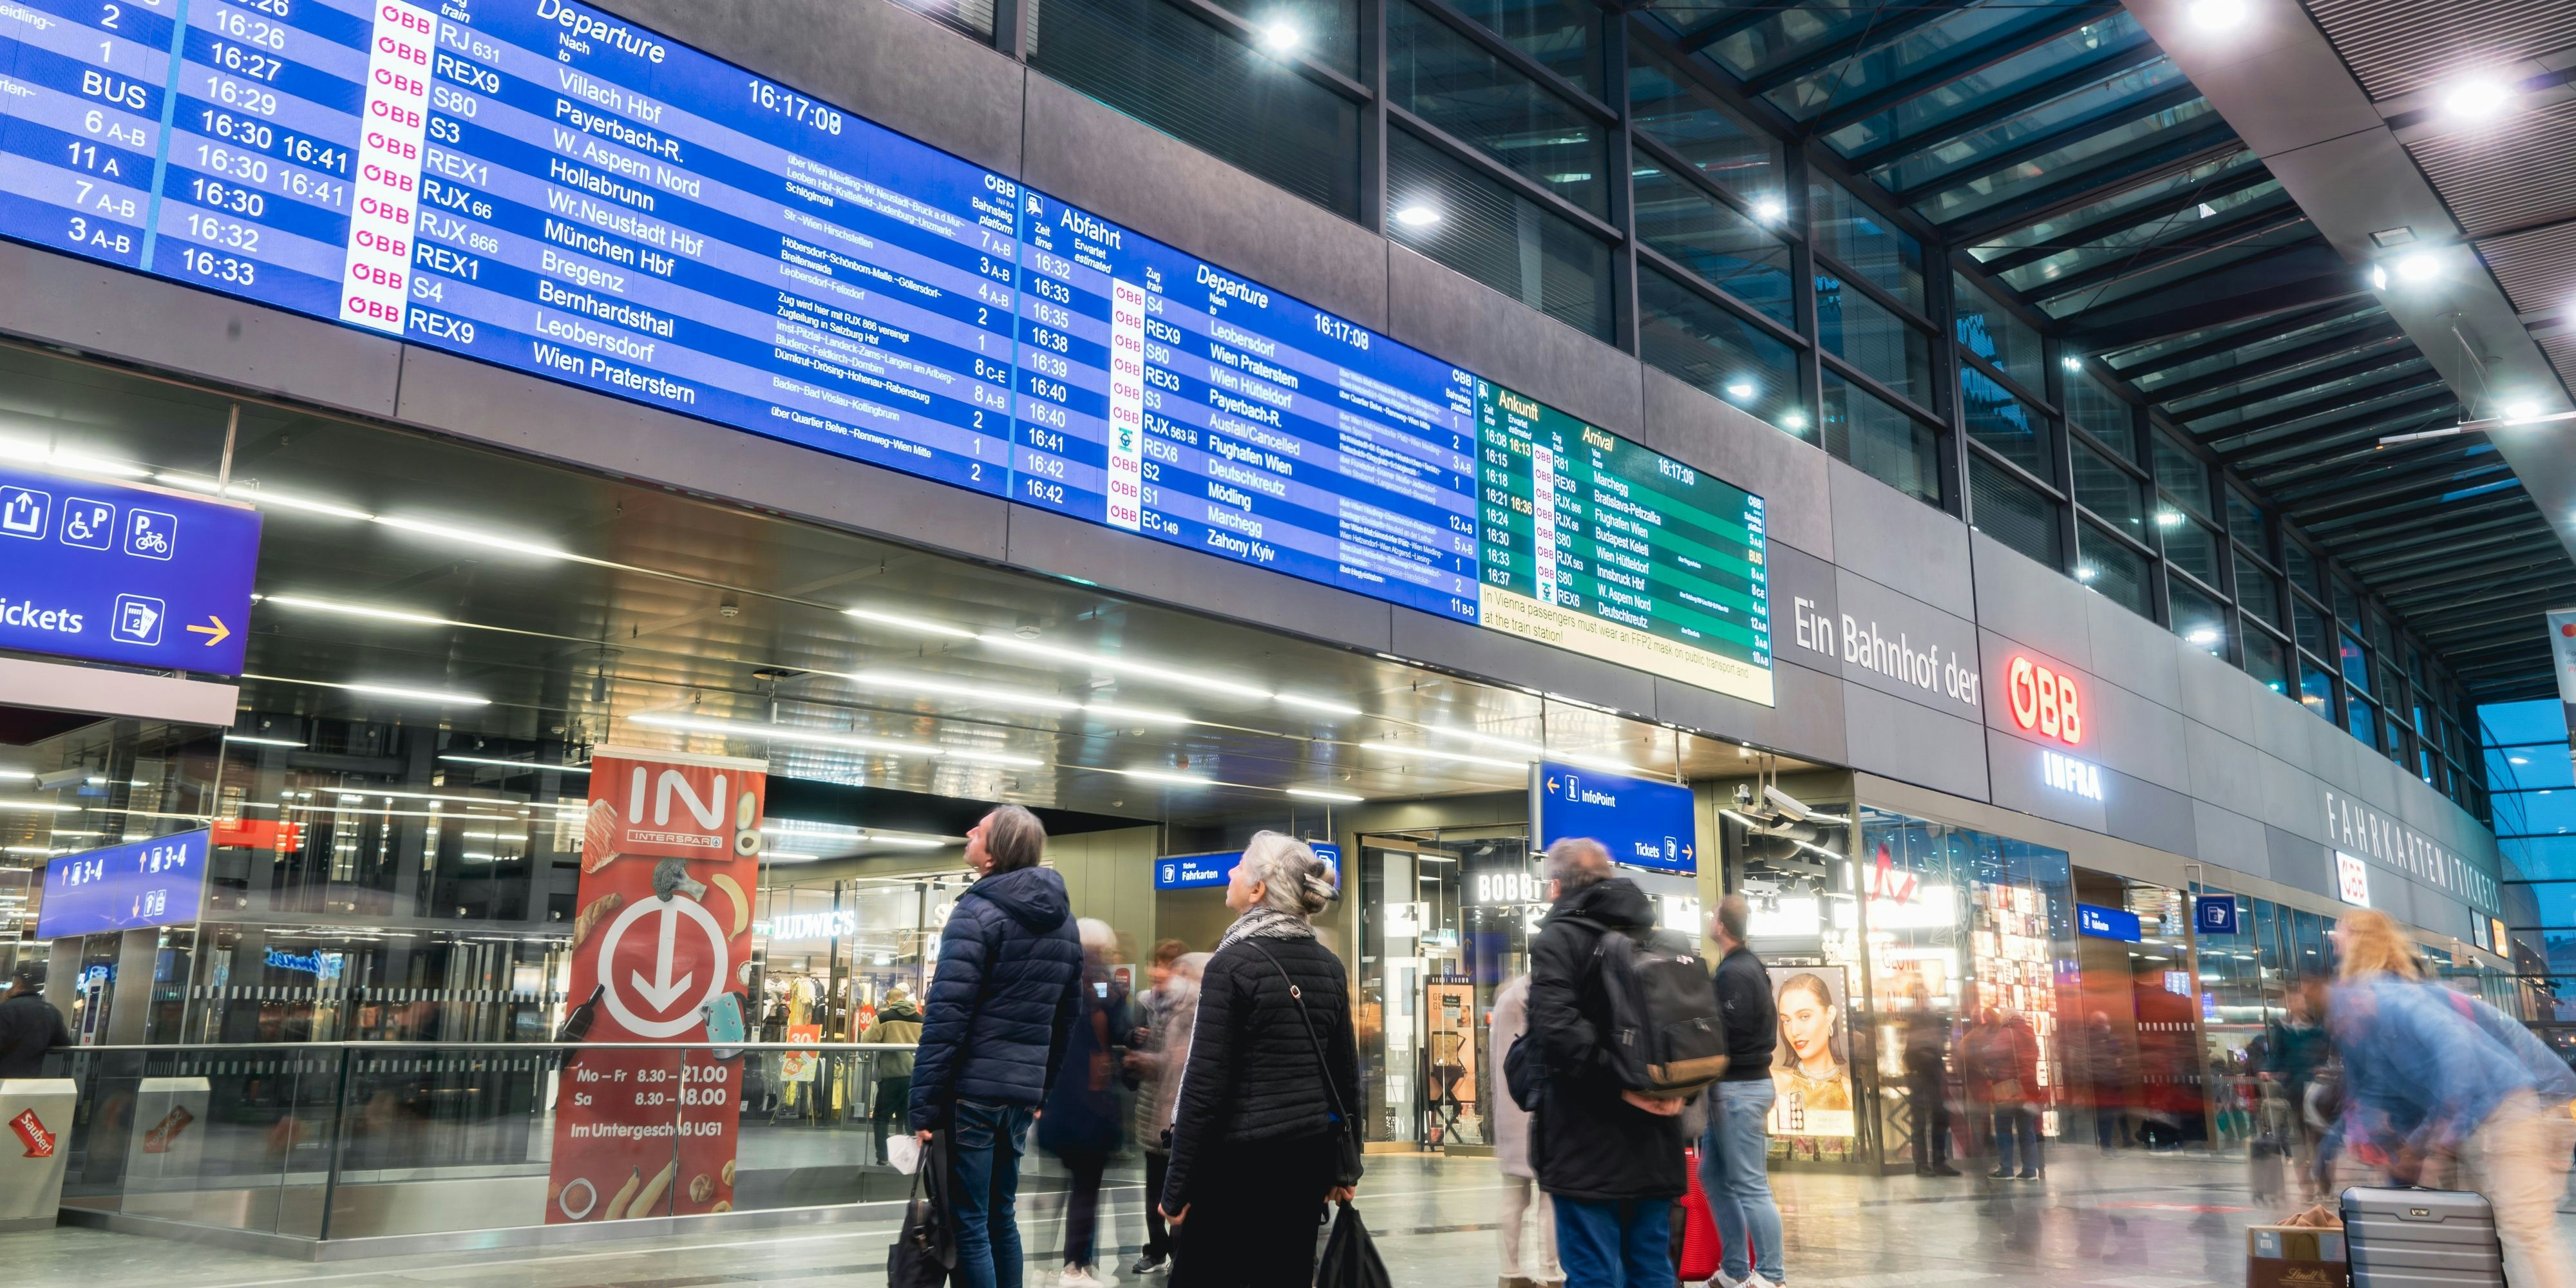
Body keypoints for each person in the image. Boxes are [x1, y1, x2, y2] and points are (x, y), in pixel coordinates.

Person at [2324, 909, 2573, 1288]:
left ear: (2360, 937)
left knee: (2524, 1229)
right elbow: (2374, 1088)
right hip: (2515, 1106)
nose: (2331, 937)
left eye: (2339, 929)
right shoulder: (2385, 997)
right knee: (2486, 1232)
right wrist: (2335, 1145)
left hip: (2520, 1105)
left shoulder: (2389, 996)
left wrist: (2441, 1131)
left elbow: (2454, 1048)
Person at [1159, 833, 1360, 1288]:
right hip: (1304, 1163)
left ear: (1258, 890)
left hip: (1238, 1169)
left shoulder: (1231, 965)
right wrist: (1346, 1165)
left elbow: (1205, 1085)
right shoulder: (1329, 966)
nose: (1230, 873)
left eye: (1240, 867)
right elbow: (1345, 1073)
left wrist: (1178, 1186)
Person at [909, 806, 1084, 1288]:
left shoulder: (976, 913)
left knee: (967, 1219)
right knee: (1000, 1216)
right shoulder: (1065, 924)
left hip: (972, 1096)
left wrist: (923, 1108)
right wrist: (1040, 1090)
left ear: (995, 852)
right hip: (1018, 1097)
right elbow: (1065, 1019)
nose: (969, 832)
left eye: (980, 831)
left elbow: (947, 1017)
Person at [1528, 837, 1686, 1288]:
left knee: (1595, 1272)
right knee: (1652, 1268)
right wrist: (1672, 1090)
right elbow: (1691, 1027)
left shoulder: (1559, 939)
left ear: (1556, 887)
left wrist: (1622, 1084)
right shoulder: (1655, 936)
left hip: (1585, 1142)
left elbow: (1556, 1027)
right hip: (1656, 1140)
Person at [1041, 918, 1128, 1287]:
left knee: (1066, 1188)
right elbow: (1120, 1031)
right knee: (1086, 1189)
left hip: (1060, 1102)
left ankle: (1063, 1263)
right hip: (1091, 1105)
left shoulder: (1056, 980)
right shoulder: (1101, 984)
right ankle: (1076, 1266)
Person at [1702, 893, 1784, 1288]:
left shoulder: (1735, 972)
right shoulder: (1745, 966)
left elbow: (1730, 1032)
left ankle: (1771, 1275)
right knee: (1713, 1176)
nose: (1709, 919)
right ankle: (1734, 1269)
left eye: (1712, 916)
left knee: (1750, 1184)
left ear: (1721, 926)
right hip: (1735, 1088)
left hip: (1740, 1089)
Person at [1489, 972, 1562, 1288]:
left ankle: (1510, 1271)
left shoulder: (1508, 996)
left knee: (1513, 1196)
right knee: (1550, 1197)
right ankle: (1551, 1272)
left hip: (1509, 1109)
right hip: (1537, 1109)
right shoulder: (1537, 994)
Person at [1125, 938, 1193, 1278]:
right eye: (1157, 963)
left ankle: (1180, 1252)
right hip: (1152, 1107)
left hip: (1180, 1109)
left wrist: (1147, 1059)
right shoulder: (1146, 1002)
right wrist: (1134, 1042)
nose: (1159, 971)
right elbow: (1134, 1045)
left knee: (1180, 1186)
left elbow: (1181, 1057)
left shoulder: (1193, 1005)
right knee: (1153, 1185)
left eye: (1167, 965)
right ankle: (1156, 1248)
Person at [1770, 972, 1851, 1133]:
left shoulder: (1849, 1090)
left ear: (1830, 1015)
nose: (1794, 1031)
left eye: (1804, 1016)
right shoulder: (1776, 1083)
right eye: (1786, 1020)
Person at [1968, 1005, 2041, 1180]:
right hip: (2028, 1088)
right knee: (2027, 1130)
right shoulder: (2030, 1034)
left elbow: (1992, 1054)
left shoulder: (2007, 1033)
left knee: (2003, 1128)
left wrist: (1983, 1052)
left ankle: (2007, 1169)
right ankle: (2030, 1170)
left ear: (2006, 1019)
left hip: (2009, 1088)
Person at [860, 985, 922, 1166]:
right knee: (910, 1120)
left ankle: (883, 1157)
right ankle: (912, 1160)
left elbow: (866, 1040)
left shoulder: (884, 1017)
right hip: (913, 1076)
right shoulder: (921, 1019)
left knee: (881, 1118)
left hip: (891, 1076)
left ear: (889, 1001)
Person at [1901, 983, 1958, 1177]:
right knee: (1922, 1120)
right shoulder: (1918, 1019)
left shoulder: (1932, 1018)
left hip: (1932, 1074)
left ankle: (1936, 1162)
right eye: (1919, 997)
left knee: (1938, 1118)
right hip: (1923, 1075)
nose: (1923, 1000)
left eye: (1924, 996)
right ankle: (1926, 1163)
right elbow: (1913, 1050)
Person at [0, 970, 68, 1077]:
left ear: (19, 987)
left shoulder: (5, 1009)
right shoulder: (51, 1011)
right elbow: (64, 1044)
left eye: (12, 986)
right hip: (29, 1081)